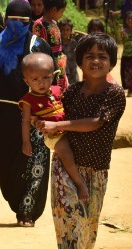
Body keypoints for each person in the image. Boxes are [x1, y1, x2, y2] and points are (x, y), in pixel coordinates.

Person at [37, 33, 125, 249]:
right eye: (89, 56)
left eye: (102, 57)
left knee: (88, 229)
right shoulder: (71, 92)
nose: (95, 61)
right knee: (69, 221)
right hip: (64, 167)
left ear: (111, 62)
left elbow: (96, 123)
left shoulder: (114, 94)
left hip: (95, 171)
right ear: (80, 61)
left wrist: (60, 125)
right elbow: (51, 115)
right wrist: (40, 120)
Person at [0, 0, 52, 227]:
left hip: (34, 115)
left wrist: (49, 113)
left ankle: (28, 211)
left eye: (22, 21)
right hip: (4, 117)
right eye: (12, 20)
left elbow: (50, 78)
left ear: (30, 22)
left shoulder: (37, 45)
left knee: (34, 163)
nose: (17, 25)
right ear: (5, 20)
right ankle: (16, 203)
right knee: (5, 166)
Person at [19, 53, 88, 202]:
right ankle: (80, 183)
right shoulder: (27, 101)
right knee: (65, 151)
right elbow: (25, 121)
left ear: (52, 75)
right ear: (26, 81)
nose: (41, 83)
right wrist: (26, 142)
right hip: (53, 136)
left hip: (67, 128)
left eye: (46, 77)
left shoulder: (57, 90)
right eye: (35, 79)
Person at [32, 0, 68, 89]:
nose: (62, 14)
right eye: (62, 11)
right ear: (54, 10)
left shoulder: (54, 23)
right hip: (49, 68)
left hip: (59, 67)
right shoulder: (39, 24)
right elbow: (37, 49)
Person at [59, 18, 79, 84]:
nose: (65, 32)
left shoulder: (74, 43)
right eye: (63, 30)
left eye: (67, 30)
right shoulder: (57, 44)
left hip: (73, 70)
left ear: (71, 31)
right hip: (62, 71)